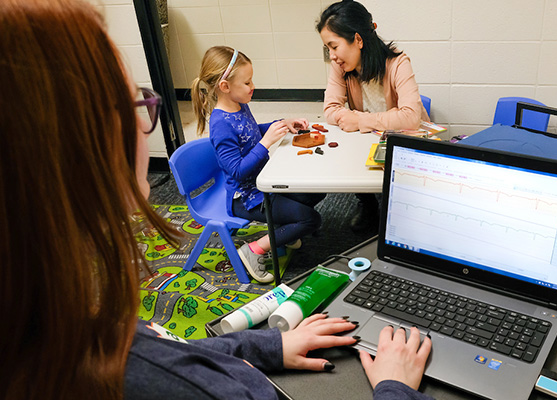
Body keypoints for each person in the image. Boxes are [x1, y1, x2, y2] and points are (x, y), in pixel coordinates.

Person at [0, 1, 432, 399]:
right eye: (133, 101)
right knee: (305, 214)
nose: (144, 119)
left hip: (262, 336)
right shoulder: (142, 373)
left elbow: (179, 351)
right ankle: (263, 248)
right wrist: (395, 389)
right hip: (245, 195)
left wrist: (264, 344)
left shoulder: (84, 334)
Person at [191, 46, 326, 283]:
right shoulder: (221, 124)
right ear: (225, 86)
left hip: (264, 181)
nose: (253, 86)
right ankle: (253, 249)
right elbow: (236, 170)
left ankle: (285, 231)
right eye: (247, 83)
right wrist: (266, 143)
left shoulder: (239, 105)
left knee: (317, 188)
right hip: (246, 197)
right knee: (310, 219)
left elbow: (250, 132)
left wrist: (282, 123)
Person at [317, 0, 430, 232]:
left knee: (405, 221)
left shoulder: (398, 62)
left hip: (403, 139)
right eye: (328, 48)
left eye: (334, 46)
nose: (332, 56)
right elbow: (330, 110)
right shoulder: (341, 67)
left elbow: (410, 118)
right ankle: (368, 203)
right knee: (349, 148)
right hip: (370, 139)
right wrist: (359, 120)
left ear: (358, 40)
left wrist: (358, 119)